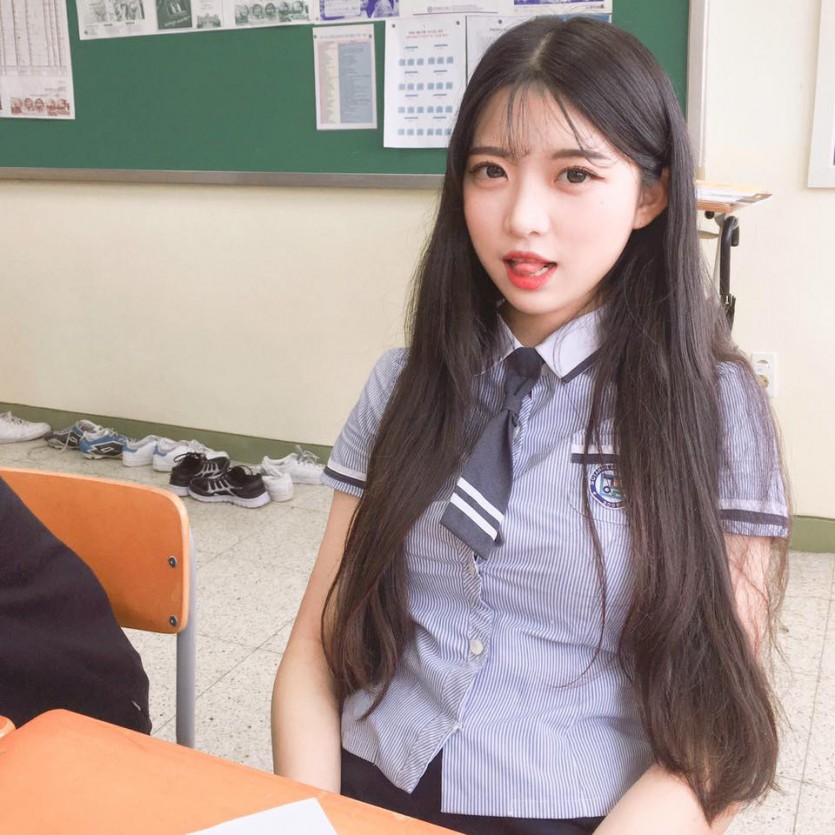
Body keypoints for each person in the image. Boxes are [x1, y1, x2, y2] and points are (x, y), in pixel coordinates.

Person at [272, 16, 789, 835]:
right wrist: (309, 818)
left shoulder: (714, 410)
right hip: (366, 785)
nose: (522, 217)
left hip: (581, 812)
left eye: (573, 174)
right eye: (491, 170)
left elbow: (712, 730)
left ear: (649, 194)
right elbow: (315, 648)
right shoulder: (403, 385)